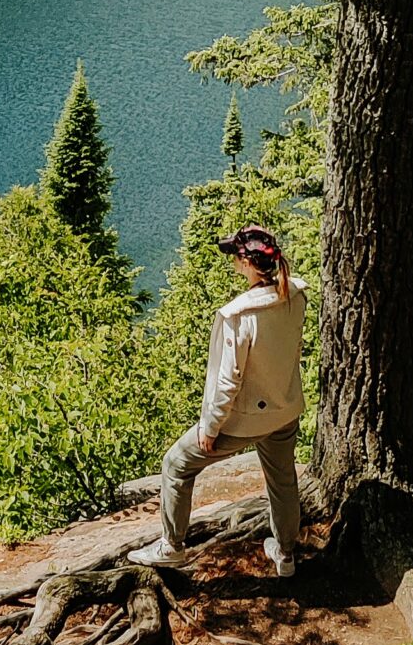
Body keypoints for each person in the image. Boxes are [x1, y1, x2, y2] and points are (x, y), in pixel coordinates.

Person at [131, 224, 306, 578]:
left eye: (234, 257)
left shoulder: (238, 316)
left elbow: (227, 381)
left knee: (176, 464)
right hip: (285, 408)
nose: (231, 262)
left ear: (247, 263)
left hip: (244, 420)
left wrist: (210, 428)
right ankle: (286, 554)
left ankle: (172, 546)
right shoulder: (295, 294)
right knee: (283, 480)